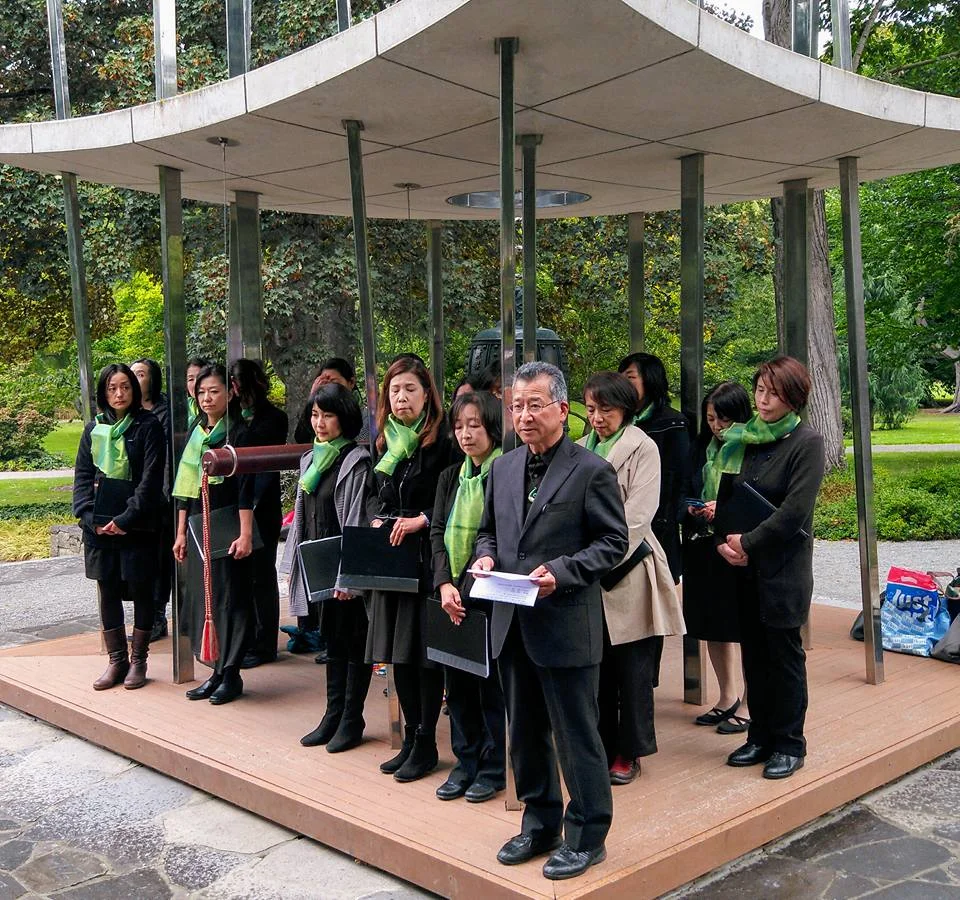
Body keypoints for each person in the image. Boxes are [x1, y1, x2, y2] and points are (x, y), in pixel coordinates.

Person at [474, 361, 628, 882]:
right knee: (525, 734)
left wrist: (560, 573)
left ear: (562, 409)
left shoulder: (591, 470)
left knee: (575, 735)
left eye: (535, 405)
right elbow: (489, 532)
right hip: (511, 621)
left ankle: (587, 836)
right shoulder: (502, 468)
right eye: (516, 405)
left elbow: (613, 542)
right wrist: (485, 557)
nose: (524, 415)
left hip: (564, 623)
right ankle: (539, 824)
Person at [715, 356, 825, 780]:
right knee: (754, 654)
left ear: (793, 398)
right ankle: (759, 736)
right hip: (745, 566)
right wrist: (724, 540)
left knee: (783, 657)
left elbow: (794, 512)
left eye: (773, 393)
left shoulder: (807, 443)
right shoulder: (748, 438)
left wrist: (748, 542)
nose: (763, 400)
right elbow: (731, 494)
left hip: (782, 568)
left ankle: (789, 743)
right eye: (759, 390)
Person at [579, 372, 683, 785]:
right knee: (599, 667)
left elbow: (638, 516)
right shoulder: (580, 447)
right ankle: (602, 745)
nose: (597, 418)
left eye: (606, 410)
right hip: (587, 573)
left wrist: (594, 557)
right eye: (591, 409)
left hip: (630, 570)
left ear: (626, 409)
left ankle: (630, 751)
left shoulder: (644, 447)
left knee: (633, 669)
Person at [365, 356, 454, 782]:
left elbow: (452, 495)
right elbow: (372, 492)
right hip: (391, 557)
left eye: (410, 389)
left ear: (427, 394)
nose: (402, 397)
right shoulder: (383, 441)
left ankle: (426, 742)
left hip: (426, 555)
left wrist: (422, 518)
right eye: (395, 390)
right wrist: (375, 519)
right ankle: (412, 738)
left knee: (423, 656)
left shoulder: (443, 440)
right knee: (399, 655)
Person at [281, 384, 373, 752]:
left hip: (345, 570)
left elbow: (356, 520)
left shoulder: (356, 461)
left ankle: (352, 718)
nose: (319, 423)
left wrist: (348, 575)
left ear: (344, 417)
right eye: (315, 415)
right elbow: (302, 518)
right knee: (332, 642)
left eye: (328, 415)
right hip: (319, 567)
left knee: (354, 642)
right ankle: (333, 714)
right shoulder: (310, 460)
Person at [430, 391, 506, 804]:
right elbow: (437, 532)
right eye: (459, 426)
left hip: (488, 594)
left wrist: (467, 587)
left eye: (474, 425)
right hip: (450, 595)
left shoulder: (505, 473)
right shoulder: (450, 477)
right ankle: (466, 761)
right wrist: (444, 584)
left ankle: (494, 767)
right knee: (456, 684)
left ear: (492, 427)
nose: (465, 434)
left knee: (489, 686)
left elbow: (499, 536)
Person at [73, 364, 166, 690]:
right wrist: (90, 519)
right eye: (112, 388)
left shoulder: (148, 426)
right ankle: (117, 660)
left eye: (125, 386)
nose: (119, 394)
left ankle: (139, 660)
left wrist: (125, 519)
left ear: (134, 390)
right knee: (108, 590)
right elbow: (83, 477)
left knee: (141, 589)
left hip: (137, 526)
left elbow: (150, 480)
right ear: (103, 392)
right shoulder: (93, 428)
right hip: (99, 528)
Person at [172, 363, 256, 705]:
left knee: (229, 598)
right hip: (198, 523)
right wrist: (180, 532)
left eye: (214, 391)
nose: (207, 398)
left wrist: (245, 533)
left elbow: (247, 488)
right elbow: (185, 486)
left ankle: (231, 673)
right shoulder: (197, 432)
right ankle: (216, 671)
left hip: (228, 524)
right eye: (201, 392)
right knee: (205, 597)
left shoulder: (239, 433)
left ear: (230, 393)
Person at [684, 382, 753, 734]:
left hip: (739, 545)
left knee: (746, 628)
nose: (717, 426)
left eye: (723, 419)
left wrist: (721, 508)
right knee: (712, 624)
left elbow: (753, 497)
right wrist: (693, 507)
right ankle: (727, 696)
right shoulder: (702, 446)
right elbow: (685, 487)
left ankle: (751, 703)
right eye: (711, 418)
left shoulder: (752, 446)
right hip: (704, 542)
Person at [229, 359, 288, 669]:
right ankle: (246, 637)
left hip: (263, 504)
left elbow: (259, 455)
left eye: (239, 382)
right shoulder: (232, 417)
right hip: (236, 502)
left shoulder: (274, 418)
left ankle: (265, 643)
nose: (237, 388)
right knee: (241, 576)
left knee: (262, 575)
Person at [617, 352, 689, 584]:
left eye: (630, 377)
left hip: (658, 525)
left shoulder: (672, 423)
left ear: (650, 379)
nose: (623, 384)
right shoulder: (617, 422)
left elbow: (677, 480)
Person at [131, 357, 173, 642]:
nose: (135, 379)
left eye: (141, 374)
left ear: (153, 379)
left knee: (159, 559)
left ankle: (157, 615)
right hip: (133, 499)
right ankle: (143, 616)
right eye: (132, 373)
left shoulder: (165, 413)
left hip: (160, 495)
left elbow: (166, 458)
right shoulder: (126, 413)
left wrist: (163, 492)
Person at [293, 357, 370, 445]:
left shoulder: (368, 418)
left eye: (334, 383)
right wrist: (313, 395)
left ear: (351, 382)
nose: (329, 389)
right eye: (324, 384)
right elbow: (302, 439)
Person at [185, 357, 213, 428]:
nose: (195, 383)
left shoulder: (215, 406)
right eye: (190, 379)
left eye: (200, 377)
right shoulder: (182, 407)